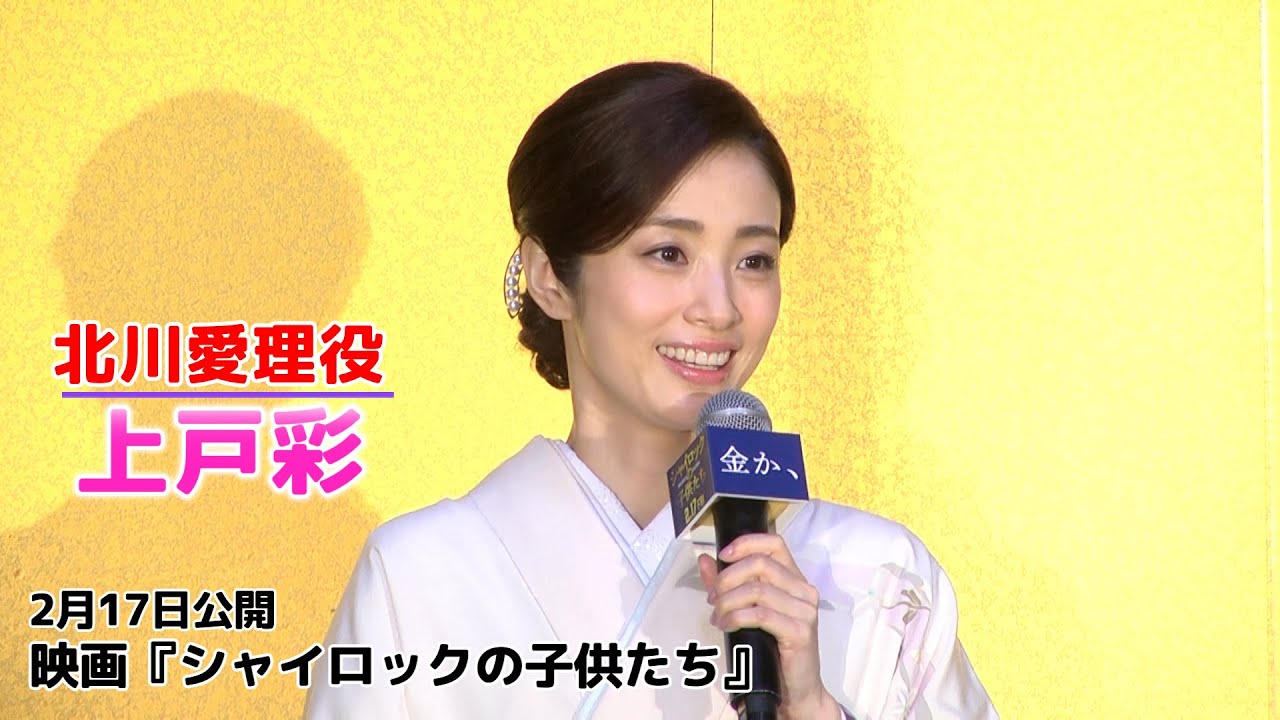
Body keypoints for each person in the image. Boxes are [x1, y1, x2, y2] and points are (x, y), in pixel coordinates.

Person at [304, 61, 998, 719]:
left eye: (754, 260)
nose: (719, 308)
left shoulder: (881, 578)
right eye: (668, 253)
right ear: (550, 277)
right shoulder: (420, 575)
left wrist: (814, 708)